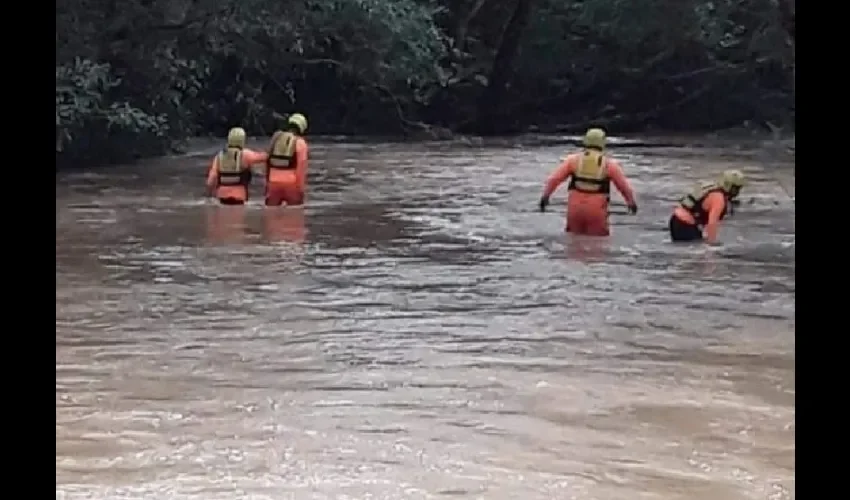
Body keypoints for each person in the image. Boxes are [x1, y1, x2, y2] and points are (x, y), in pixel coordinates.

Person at [538, 128, 638, 236]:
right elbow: (623, 187)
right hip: (597, 209)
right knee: (597, 245)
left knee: (573, 241)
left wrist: (545, 197)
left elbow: (554, 179)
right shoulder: (609, 165)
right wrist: (631, 203)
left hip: (575, 208)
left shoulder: (573, 160)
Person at [669, 169, 746, 244]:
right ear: (728, 185)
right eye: (736, 188)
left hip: (676, 219)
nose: (737, 192)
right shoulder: (719, 199)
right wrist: (711, 244)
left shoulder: (711, 188)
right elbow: (712, 223)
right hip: (685, 224)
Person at [205, 127, 268, 205]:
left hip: (221, 195)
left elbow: (211, 179)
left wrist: (209, 194)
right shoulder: (245, 154)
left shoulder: (219, 156)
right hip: (239, 196)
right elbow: (264, 157)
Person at [264, 113, 310, 207]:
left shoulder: (276, 138)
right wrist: (300, 189)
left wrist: (267, 183)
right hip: (291, 184)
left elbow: (267, 161)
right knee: (295, 215)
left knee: (271, 216)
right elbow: (301, 169)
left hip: (273, 182)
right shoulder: (300, 143)